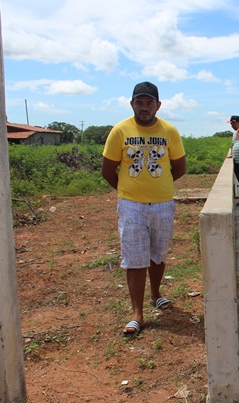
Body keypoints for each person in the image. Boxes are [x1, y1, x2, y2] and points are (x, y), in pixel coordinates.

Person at [101, 81, 186, 338]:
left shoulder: (169, 131)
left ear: (158, 105)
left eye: (149, 103)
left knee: (158, 254)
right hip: (131, 206)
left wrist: (158, 187)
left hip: (162, 204)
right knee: (135, 258)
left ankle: (156, 294)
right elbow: (108, 170)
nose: (144, 107)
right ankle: (137, 313)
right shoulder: (120, 130)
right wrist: (129, 190)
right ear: (132, 104)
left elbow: (179, 167)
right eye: (139, 102)